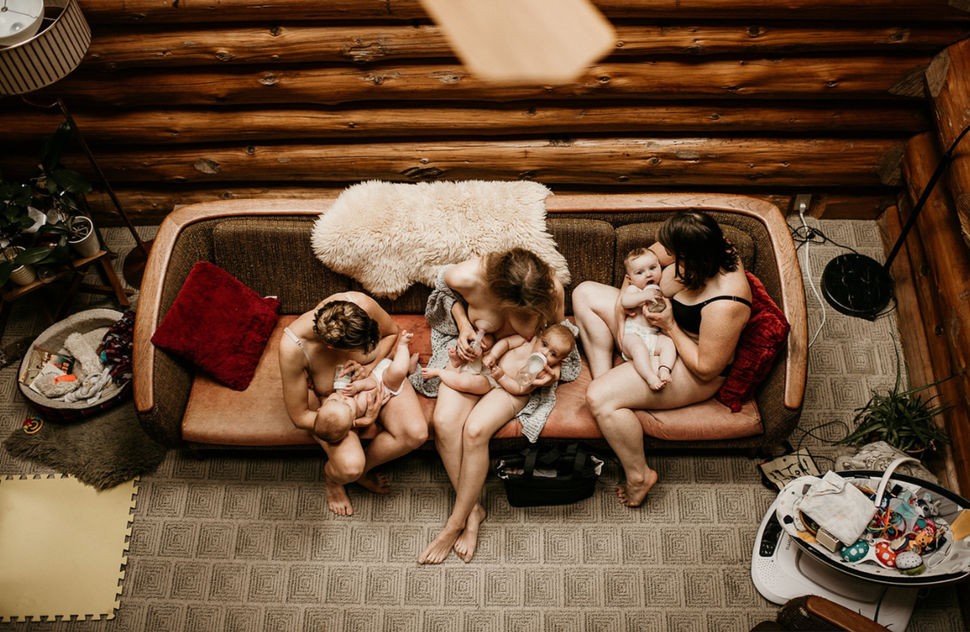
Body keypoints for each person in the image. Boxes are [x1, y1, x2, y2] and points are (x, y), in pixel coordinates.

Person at [573, 211, 752, 508]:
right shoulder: (698, 242)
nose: (663, 254)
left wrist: (669, 326)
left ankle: (640, 475)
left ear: (691, 257)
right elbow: (641, 264)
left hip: (689, 360)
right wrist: (622, 316)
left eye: (670, 253)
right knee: (584, 293)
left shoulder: (727, 303)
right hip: (651, 321)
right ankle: (608, 379)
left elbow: (707, 369)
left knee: (598, 397)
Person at [416, 248, 572, 564]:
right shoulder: (464, 276)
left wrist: (552, 370)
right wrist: (463, 327)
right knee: (445, 425)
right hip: (473, 361)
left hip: (515, 373)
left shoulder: (550, 287)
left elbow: (562, 335)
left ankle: (454, 524)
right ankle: (472, 509)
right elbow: (446, 299)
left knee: (475, 432)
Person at [279, 293, 428, 516]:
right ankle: (334, 478)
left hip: (378, 377)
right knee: (350, 467)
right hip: (339, 406)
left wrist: (370, 366)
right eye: (363, 349)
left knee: (415, 434)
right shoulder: (293, 348)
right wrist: (357, 420)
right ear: (332, 347)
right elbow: (300, 417)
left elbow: (391, 333)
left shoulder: (360, 304)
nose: (370, 348)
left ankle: (364, 472)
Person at [312, 331, 418, 444]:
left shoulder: (332, 405)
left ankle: (409, 367)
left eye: (334, 400)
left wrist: (313, 385)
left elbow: (322, 395)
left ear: (320, 409)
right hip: (383, 380)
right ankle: (403, 347)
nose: (342, 398)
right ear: (353, 418)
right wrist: (356, 388)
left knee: (387, 353)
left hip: (373, 368)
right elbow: (372, 385)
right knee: (398, 370)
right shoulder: (360, 406)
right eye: (347, 405)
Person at [421, 324, 575, 397]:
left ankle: (440, 373)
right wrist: (493, 355)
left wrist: (501, 376)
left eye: (553, 355)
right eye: (544, 344)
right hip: (489, 360)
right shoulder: (528, 340)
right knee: (480, 346)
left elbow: (520, 389)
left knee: (464, 382)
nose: (544, 352)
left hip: (491, 380)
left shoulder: (541, 373)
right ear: (540, 336)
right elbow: (506, 343)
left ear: (561, 361)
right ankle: (458, 361)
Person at [618, 247, 678, 391]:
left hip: (655, 336)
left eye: (653, 268)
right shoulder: (634, 290)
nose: (648, 274)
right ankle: (649, 376)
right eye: (640, 272)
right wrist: (644, 296)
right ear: (629, 279)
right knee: (638, 349)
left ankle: (664, 369)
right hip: (634, 334)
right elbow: (625, 302)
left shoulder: (661, 289)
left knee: (669, 344)